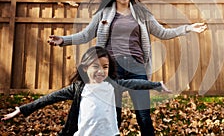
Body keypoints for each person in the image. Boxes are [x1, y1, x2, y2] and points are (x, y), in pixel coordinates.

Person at [47, 0, 207, 135]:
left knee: (144, 115)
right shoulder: (104, 13)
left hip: (137, 68)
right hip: (113, 69)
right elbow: (86, 35)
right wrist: (63, 40)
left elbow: (162, 32)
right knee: (114, 115)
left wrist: (188, 28)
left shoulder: (142, 13)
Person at [1, 46, 171, 136]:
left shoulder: (113, 86)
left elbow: (135, 83)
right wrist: (23, 109)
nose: (100, 71)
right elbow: (49, 99)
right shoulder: (78, 88)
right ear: (84, 68)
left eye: (105, 67)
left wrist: (156, 85)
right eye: (95, 66)